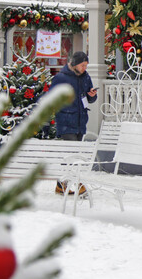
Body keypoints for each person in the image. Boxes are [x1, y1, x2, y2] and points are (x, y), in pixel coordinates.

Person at [51, 51, 98, 195]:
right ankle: (79, 184)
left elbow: (89, 99)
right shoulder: (60, 78)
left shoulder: (86, 77)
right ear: (74, 64)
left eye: (86, 65)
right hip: (66, 121)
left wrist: (92, 96)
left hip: (80, 121)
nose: (85, 68)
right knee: (74, 154)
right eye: (82, 65)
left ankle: (61, 184)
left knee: (72, 154)